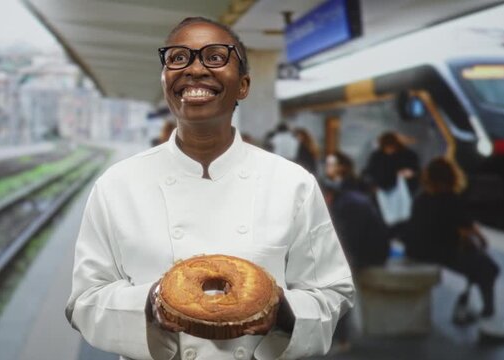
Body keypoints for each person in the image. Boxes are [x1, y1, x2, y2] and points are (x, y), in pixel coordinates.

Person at [65, 16, 354, 360]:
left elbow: (332, 292)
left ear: (243, 85)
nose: (195, 69)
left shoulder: (293, 184)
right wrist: (153, 300)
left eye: (216, 57)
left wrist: (280, 309)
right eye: (177, 58)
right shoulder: (117, 185)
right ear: (164, 81)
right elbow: (85, 300)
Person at [402, 157, 504, 343]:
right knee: (489, 268)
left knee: (476, 261)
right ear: (453, 176)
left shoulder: (421, 196)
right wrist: (482, 241)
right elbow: (468, 228)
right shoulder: (450, 199)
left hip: (415, 249)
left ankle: (465, 305)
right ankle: (488, 316)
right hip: (437, 251)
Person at [322, 151, 389, 352]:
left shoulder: (349, 206)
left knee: (335, 281)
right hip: (362, 249)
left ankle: (341, 339)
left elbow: (349, 246)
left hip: (369, 255)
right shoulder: (345, 201)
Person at [362, 131, 419, 235]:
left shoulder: (408, 156)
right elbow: (369, 173)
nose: (390, 150)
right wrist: (373, 186)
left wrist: (410, 174)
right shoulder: (377, 157)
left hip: (402, 196)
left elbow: (416, 173)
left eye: (392, 147)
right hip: (380, 198)